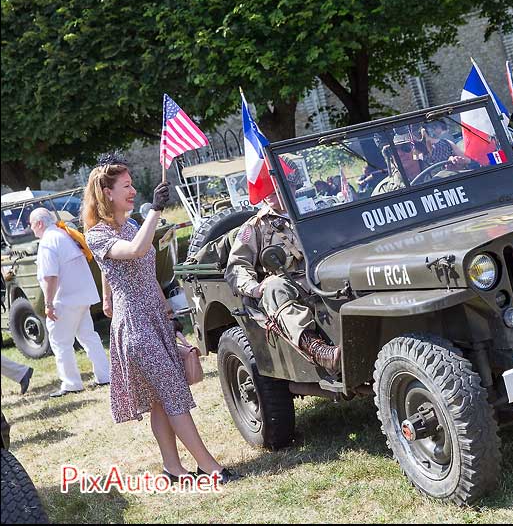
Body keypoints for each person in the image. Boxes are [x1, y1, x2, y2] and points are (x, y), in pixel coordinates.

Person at [83, 156, 239, 484]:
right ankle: (210, 468)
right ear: (107, 193)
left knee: (159, 401)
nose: (133, 190)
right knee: (172, 393)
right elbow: (135, 252)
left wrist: (167, 312)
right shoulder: (97, 235)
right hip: (135, 326)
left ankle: (173, 468)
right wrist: (155, 210)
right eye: (126, 186)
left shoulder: (129, 225)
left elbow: (146, 270)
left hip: (154, 318)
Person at [224, 191, 341, 375]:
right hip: (290, 284)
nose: (267, 192)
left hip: (327, 272)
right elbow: (236, 266)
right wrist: (254, 288)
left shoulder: (315, 208)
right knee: (273, 287)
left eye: (272, 185)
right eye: (264, 188)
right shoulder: (255, 226)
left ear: (286, 183)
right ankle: (318, 350)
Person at [30, 207, 110, 398]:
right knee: (89, 337)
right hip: (82, 295)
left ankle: (72, 383)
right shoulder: (64, 234)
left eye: (31, 224)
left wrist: (48, 304)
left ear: (39, 223)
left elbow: (50, 276)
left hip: (64, 299)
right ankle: (105, 375)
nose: (31, 229)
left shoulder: (48, 241)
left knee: (60, 342)